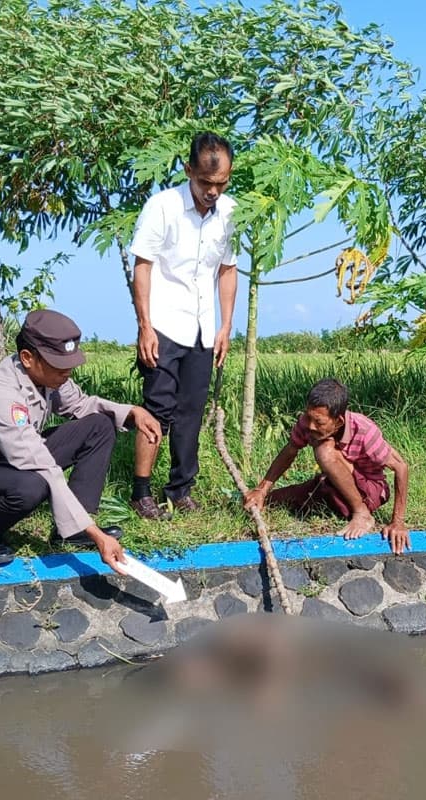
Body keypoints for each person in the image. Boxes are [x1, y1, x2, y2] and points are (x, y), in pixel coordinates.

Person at [0, 309, 161, 571]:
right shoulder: (1, 397)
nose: (67, 372)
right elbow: (41, 465)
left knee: (100, 425)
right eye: (59, 365)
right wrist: (96, 534)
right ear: (28, 357)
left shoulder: (49, 375)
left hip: (16, 458)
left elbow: (81, 404)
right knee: (33, 486)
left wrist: (132, 412)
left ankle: (71, 531)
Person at [127, 131, 238, 521]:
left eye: (221, 183)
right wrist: (145, 326)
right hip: (163, 324)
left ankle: (180, 490)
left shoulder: (231, 212)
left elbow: (227, 269)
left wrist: (225, 326)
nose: (213, 191)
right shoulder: (162, 207)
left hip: (203, 328)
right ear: (189, 170)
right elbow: (142, 266)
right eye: (206, 182)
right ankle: (141, 493)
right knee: (158, 410)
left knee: (191, 412)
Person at [243, 378, 411, 554]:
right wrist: (262, 490)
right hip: (331, 484)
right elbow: (290, 451)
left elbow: (401, 467)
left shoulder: (364, 430)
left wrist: (397, 522)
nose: (311, 426)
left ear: (338, 421)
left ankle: (362, 514)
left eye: (319, 422)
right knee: (272, 500)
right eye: (308, 417)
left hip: (369, 489)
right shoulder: (308, 423)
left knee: (324, 450)